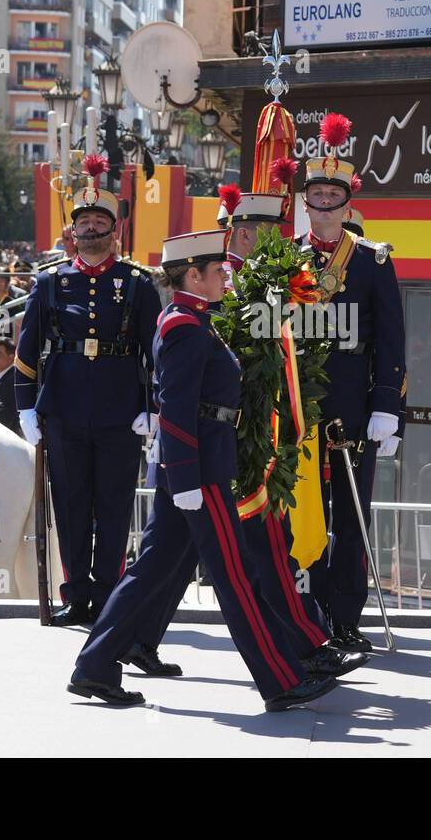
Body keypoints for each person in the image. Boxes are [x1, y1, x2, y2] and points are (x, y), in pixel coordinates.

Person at [68, 230, 342, 712]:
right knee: (234, 575)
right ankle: (280, 680)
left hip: (202, 465)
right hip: (199, 470)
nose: (225, 276)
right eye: (218, 271)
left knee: (150, 571)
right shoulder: (182, 327)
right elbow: (174, 408)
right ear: (191, 275)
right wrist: (187, 478)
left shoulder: (196, 321)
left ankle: (95, 666)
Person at [124, 191, 362, 680]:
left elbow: (304, 341)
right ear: (247, 232)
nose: (280, 241)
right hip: (212, 444)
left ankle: (299, 645)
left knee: (198, 552)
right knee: (236, 554)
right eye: (270, 232)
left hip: (238, 439)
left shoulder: (264, 286)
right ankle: (293, 656)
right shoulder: (222, 287)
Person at [14, 164, 162, 627]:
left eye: (100, 222)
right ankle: (76, 594)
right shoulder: (50, 283)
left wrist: (152, 408)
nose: (91, 228)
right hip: (63, 410)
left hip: (121, 414)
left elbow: (155, 352)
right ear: (72, 230)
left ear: (114, 231)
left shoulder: (137, 284)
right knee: (72, 506)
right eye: (84, 222)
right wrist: (26, 407)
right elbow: (27, 349)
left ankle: (108, 596)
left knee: (114, 508)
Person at [295, 114, 406, 652]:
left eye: (333, 194)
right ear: (306, 200)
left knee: (351, 511)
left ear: (347, 200)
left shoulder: (373, 260)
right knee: (305, 511)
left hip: (353, 402)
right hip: (295, 405)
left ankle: (346, 616)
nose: (324, 202)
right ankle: (308, 614)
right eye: (316, 193)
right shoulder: (283, 258)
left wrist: (388, 406)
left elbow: (392, 339)